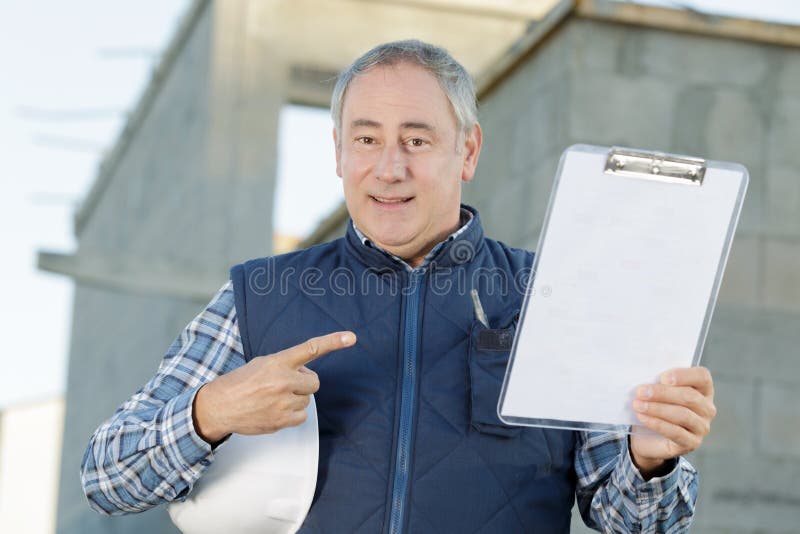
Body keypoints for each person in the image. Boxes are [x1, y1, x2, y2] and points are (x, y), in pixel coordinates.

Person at [81, 39, 716, 533]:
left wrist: (650, 459)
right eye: (366, 139)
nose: (390, 167)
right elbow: (107, 476)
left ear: (467, 152)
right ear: (337, 153)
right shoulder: (260, 295)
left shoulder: (554, 298)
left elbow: (637, 520)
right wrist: (210, 412)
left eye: (417, 139)